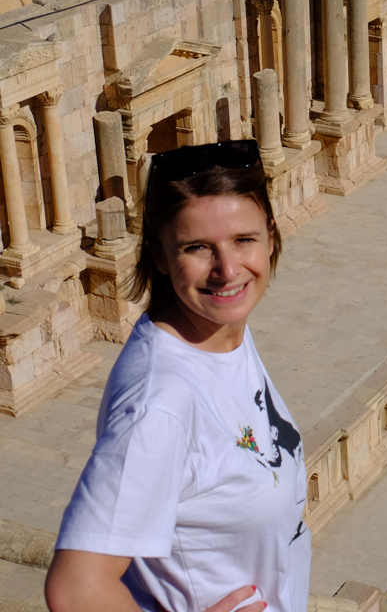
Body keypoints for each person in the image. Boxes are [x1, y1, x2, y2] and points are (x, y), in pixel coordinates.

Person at [45, 140, 309, 612]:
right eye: (197, 248)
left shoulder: (217, 331)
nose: (227, 270)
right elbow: (77, 591)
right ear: (161, 257)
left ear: (271, 236)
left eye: (243, 240)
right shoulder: (160, 405)